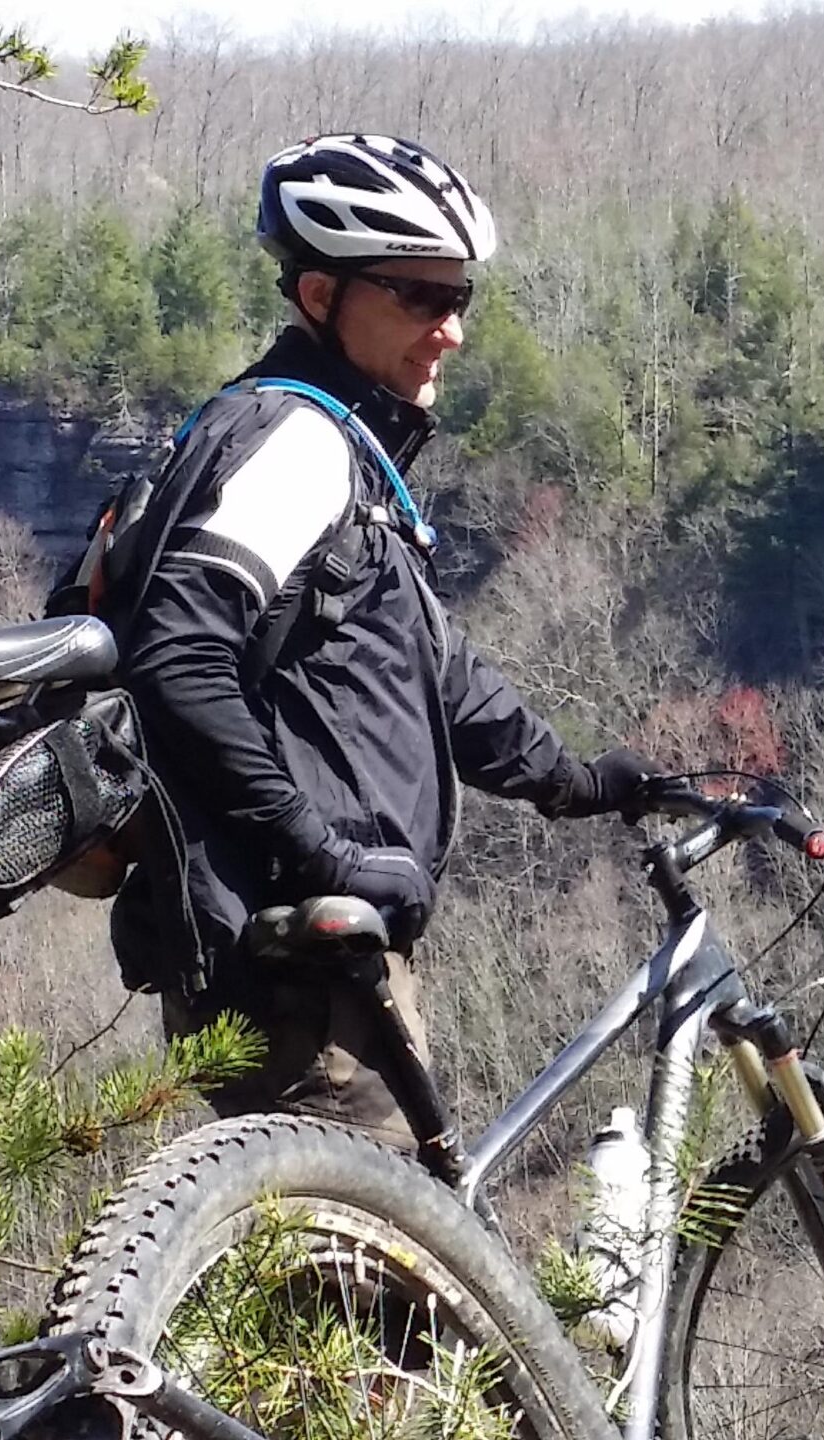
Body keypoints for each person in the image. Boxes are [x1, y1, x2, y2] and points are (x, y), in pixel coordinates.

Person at [109, 134, 651, 1149]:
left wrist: (579, 782)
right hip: (300, 976)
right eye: (419, 299)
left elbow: (431, 671)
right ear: (320, 297)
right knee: (372, 1295)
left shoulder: (345, 458)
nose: (449, 333)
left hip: (319, 967)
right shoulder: (296, 444)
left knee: (376, 1276)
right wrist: (326, 858)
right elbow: (175, 656)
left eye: (461, 301)